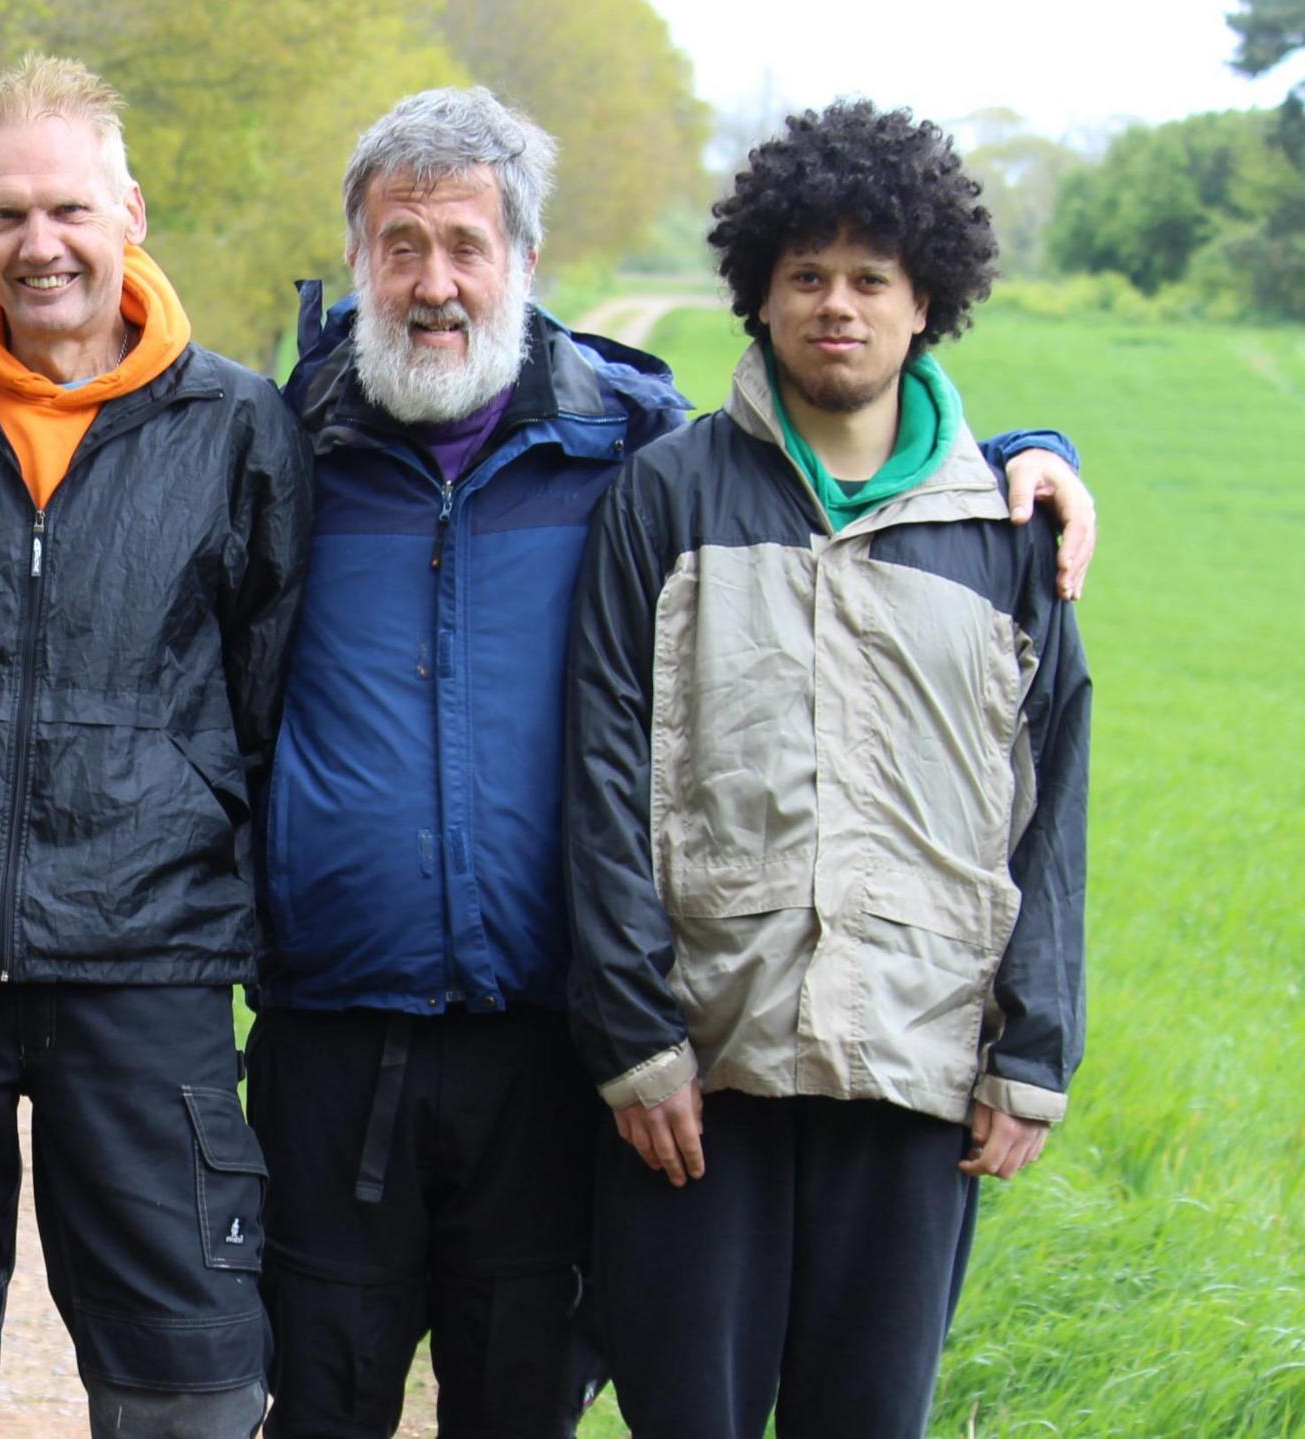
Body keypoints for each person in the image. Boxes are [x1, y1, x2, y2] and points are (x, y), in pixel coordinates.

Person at [250, 88, 1098, 1438]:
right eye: (398, 245)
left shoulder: (621, 444)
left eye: (466, 243)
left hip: (556, 1039)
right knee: (324, 1398)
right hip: (346, 1029)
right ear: (357, 265)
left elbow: (846, 469)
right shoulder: (277, 446)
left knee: (526, 1397)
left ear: (524, 260)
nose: (433, 280)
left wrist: (1027, 457)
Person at [565, 100, 1091, 1438]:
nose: (837, 306)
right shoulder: (668, 495)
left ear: (929, 303)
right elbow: (604, 770)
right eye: (807, 276)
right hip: (704, 1072)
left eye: (871, 279)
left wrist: (1031, 1047)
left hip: (918, 1068)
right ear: (760, 293)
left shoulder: (1005, 535)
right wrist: (634, 1037)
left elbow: (1054, 801)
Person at [0, 55, 309, 1438]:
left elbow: (263, 691)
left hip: (147, 954)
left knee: (186, 1364)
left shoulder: (237, 427)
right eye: (7, 214)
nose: (41, 245)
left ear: (130, 212)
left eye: (69, 209)